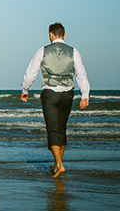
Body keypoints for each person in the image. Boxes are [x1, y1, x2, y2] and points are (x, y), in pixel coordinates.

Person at [21, 22, 91, 178]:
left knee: (52, 129)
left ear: (50, 35)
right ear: (64, 35)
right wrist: (85, 95)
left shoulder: (42, 51)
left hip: (50, 93)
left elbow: (31, 72)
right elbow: (81, 74)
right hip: (68, 93)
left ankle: (59, 164)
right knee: (61, 128)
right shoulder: (74, 52)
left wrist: (25, 89)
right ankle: (57, 163)